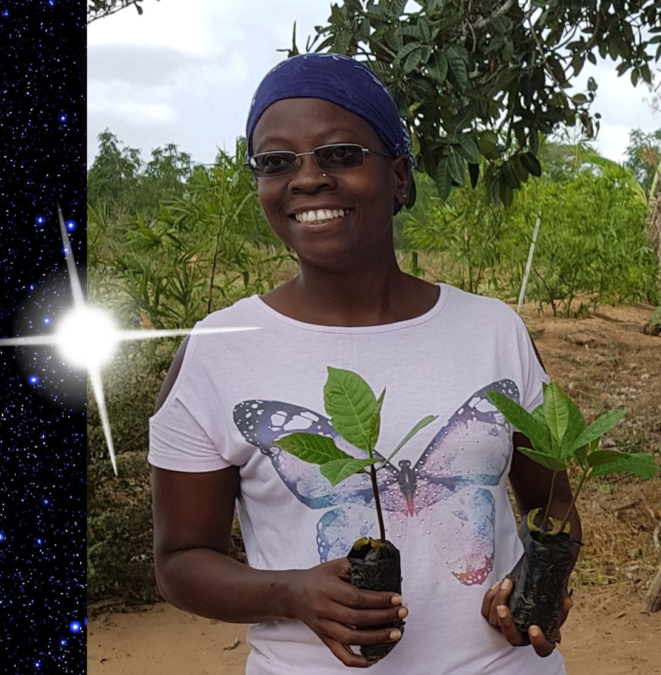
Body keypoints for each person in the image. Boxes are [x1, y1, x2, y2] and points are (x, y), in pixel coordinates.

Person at [148, 53, 577, 674]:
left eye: (340, 153)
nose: (308, 178)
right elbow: (180, 561)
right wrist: (291, 592)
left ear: (399, 176)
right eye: (276, 162)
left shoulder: (493, 331)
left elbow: (555, 503)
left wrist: (538, 583)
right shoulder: (218, 351)